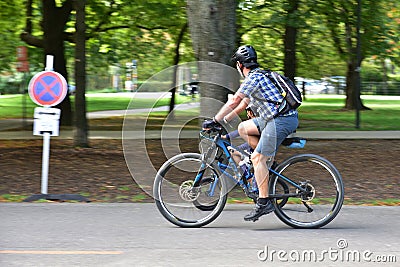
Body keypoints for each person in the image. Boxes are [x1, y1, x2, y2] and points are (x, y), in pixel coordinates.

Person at [203, 45, 298, 222]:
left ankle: (264, 202)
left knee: (257, 159)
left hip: (281, 120)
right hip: (274, 119)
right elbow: (242, 104)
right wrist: (225, 119)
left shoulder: (253, 79)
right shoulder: (258, 77)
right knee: (243, 128)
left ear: (240, 65)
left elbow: (236, 100)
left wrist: (215, 120)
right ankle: (265, 160)